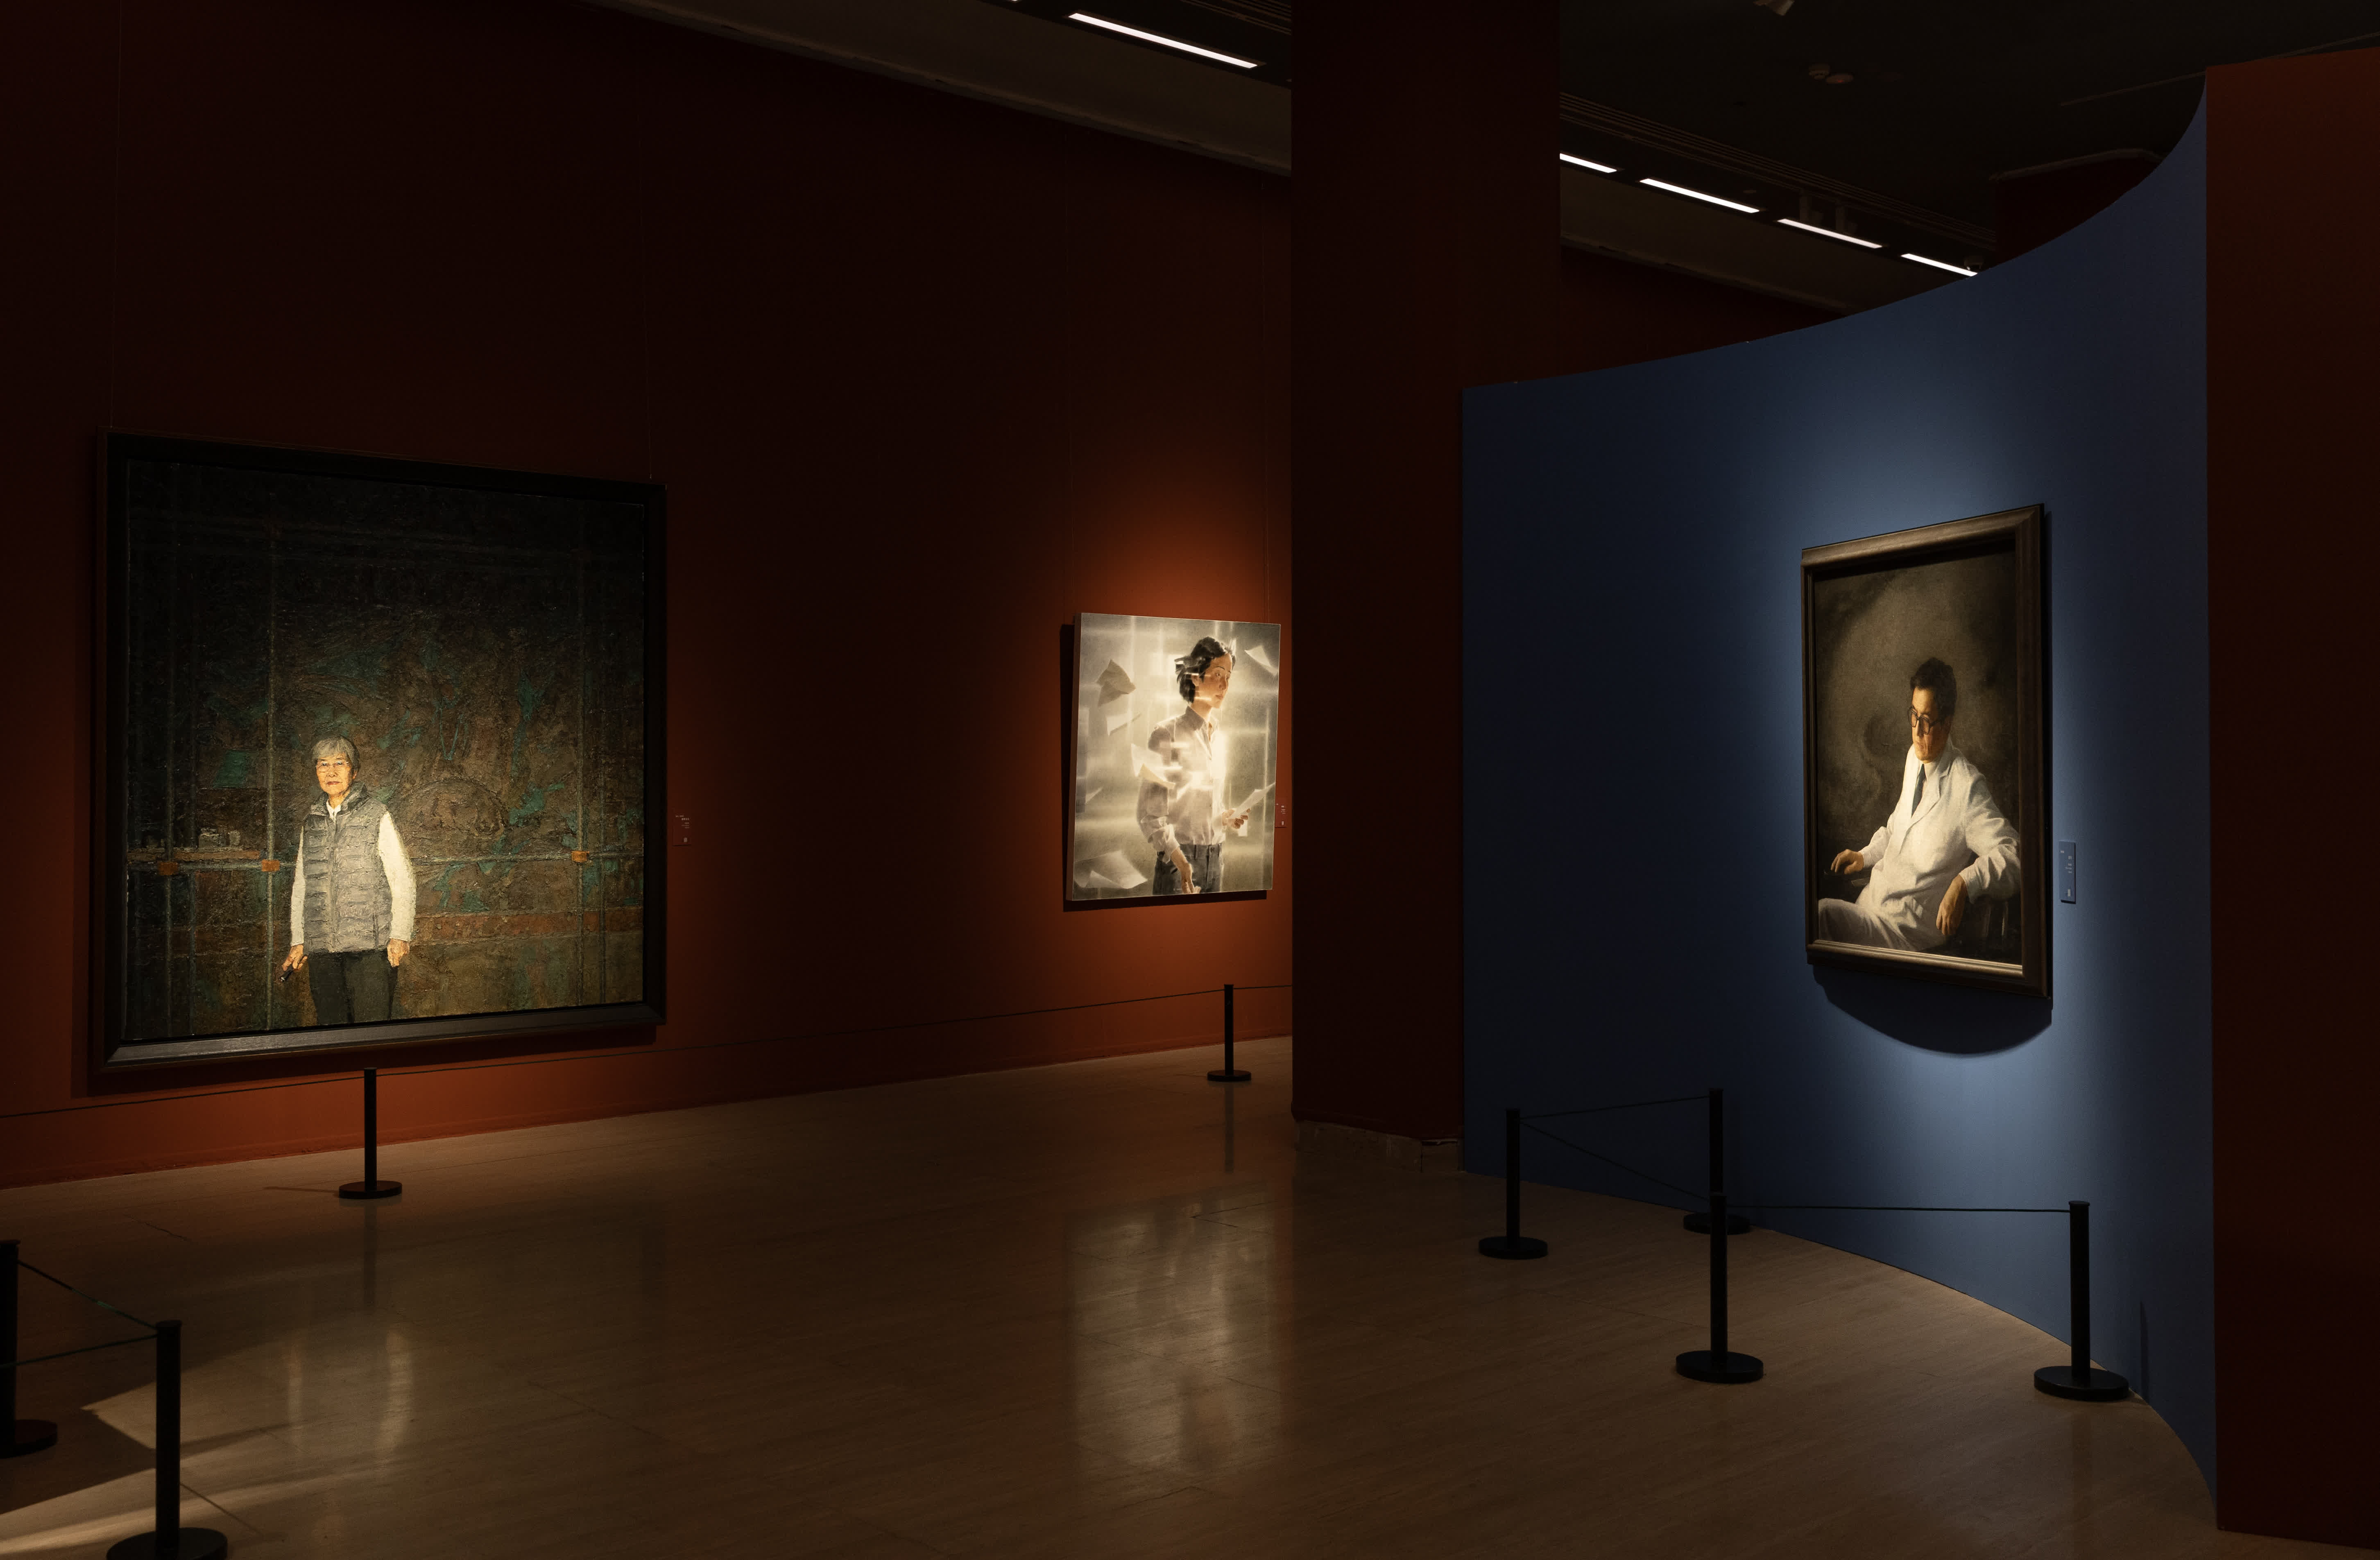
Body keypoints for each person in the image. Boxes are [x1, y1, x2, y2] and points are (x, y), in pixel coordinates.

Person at [1816, 658, 2019, 951]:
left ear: (1947, 723)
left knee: (1820, 915)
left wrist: (1964, 883)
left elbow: (2014, 854)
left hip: (1904, 935)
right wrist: (1864, 856)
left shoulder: (1967, 787)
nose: (1917, 730)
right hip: (1871, 906)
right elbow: (1897, 829)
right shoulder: (1915, 758)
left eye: (1927, 720)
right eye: (1914, 715)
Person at [279, 736, 417, 1023]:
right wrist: (300, 940)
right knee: (333, 1029)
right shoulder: (312, 821)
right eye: (323, 765)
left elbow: (402, 878)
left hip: (370, 949)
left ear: (354, 772)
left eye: (339, 764)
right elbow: (302, 885)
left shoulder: (377, 815)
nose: (331, 772)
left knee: (372, 1029)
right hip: (322, 949)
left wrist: (400, 935)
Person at [1138, 636, 1253, 895]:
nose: (1225, 685)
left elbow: (1200, 804)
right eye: (1218, 674)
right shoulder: (1166, 734)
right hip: (1179, 862)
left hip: (1217, 860)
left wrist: (1225, 818)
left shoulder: (1220, 739)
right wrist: (1181, 863)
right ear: (1196, 678)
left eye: (1229, 677)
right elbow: (1150, 815)